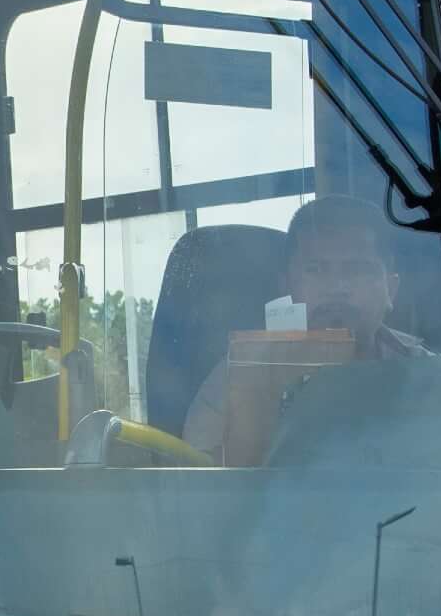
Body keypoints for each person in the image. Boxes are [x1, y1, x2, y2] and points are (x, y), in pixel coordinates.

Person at [180, 193, 427, 463]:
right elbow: (195, 485)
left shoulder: (427, 376)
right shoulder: (241, 373)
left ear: (391, 289)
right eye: (317, 269)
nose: (337, 288)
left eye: (357, 269)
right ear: (287, 286)